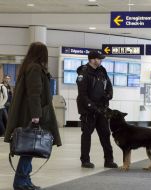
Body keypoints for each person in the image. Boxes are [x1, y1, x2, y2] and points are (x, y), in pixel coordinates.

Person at [4, 42, 62, 190]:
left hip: (28, 113)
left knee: (29, 149)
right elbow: (34, 94)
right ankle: (20, 182)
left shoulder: (28, 67)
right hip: (32, 115)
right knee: (29, 148)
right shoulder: (35, 68)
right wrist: (36, 116)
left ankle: (25, 181)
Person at [76, 50, 118, 169]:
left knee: (105, 134)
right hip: (89, 110)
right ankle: (85, 160)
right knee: (87, 135)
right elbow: (83, 95)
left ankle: (109, 160)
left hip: (102, 109)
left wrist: (109, 95)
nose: (100, 60)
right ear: (92, 60)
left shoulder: (102, 71)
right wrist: (92, 107)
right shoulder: (83, 73)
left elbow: (109, 85)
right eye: (99, 59)